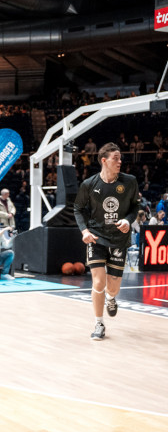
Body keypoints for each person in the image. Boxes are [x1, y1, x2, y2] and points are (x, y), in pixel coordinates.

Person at [74, 142, 139, 341]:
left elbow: (135, 208)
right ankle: (99, 323)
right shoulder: (89, 184)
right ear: (104, 160)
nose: (120, 162)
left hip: (119, 239)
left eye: (120, 158)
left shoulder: (130, 182)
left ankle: (111, 299)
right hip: (96, 237)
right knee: (99, 281)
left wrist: (128, 220)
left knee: (113, 287)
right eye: (116, 158)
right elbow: (78, 209)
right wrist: (84, 231)